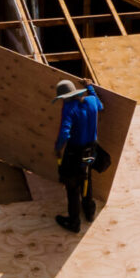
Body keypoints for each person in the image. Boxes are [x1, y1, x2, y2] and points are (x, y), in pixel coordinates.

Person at [53, 79, 103, 234]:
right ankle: (89, 211)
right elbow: (101, 106)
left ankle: (73, 222)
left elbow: (65, 133)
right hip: (91, 151)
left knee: (72, 185)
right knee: (87, 176)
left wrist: (58, 148)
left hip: (74, 153)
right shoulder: (92, 100)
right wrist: (90, 87)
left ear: (65, 97)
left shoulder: (69, 108)